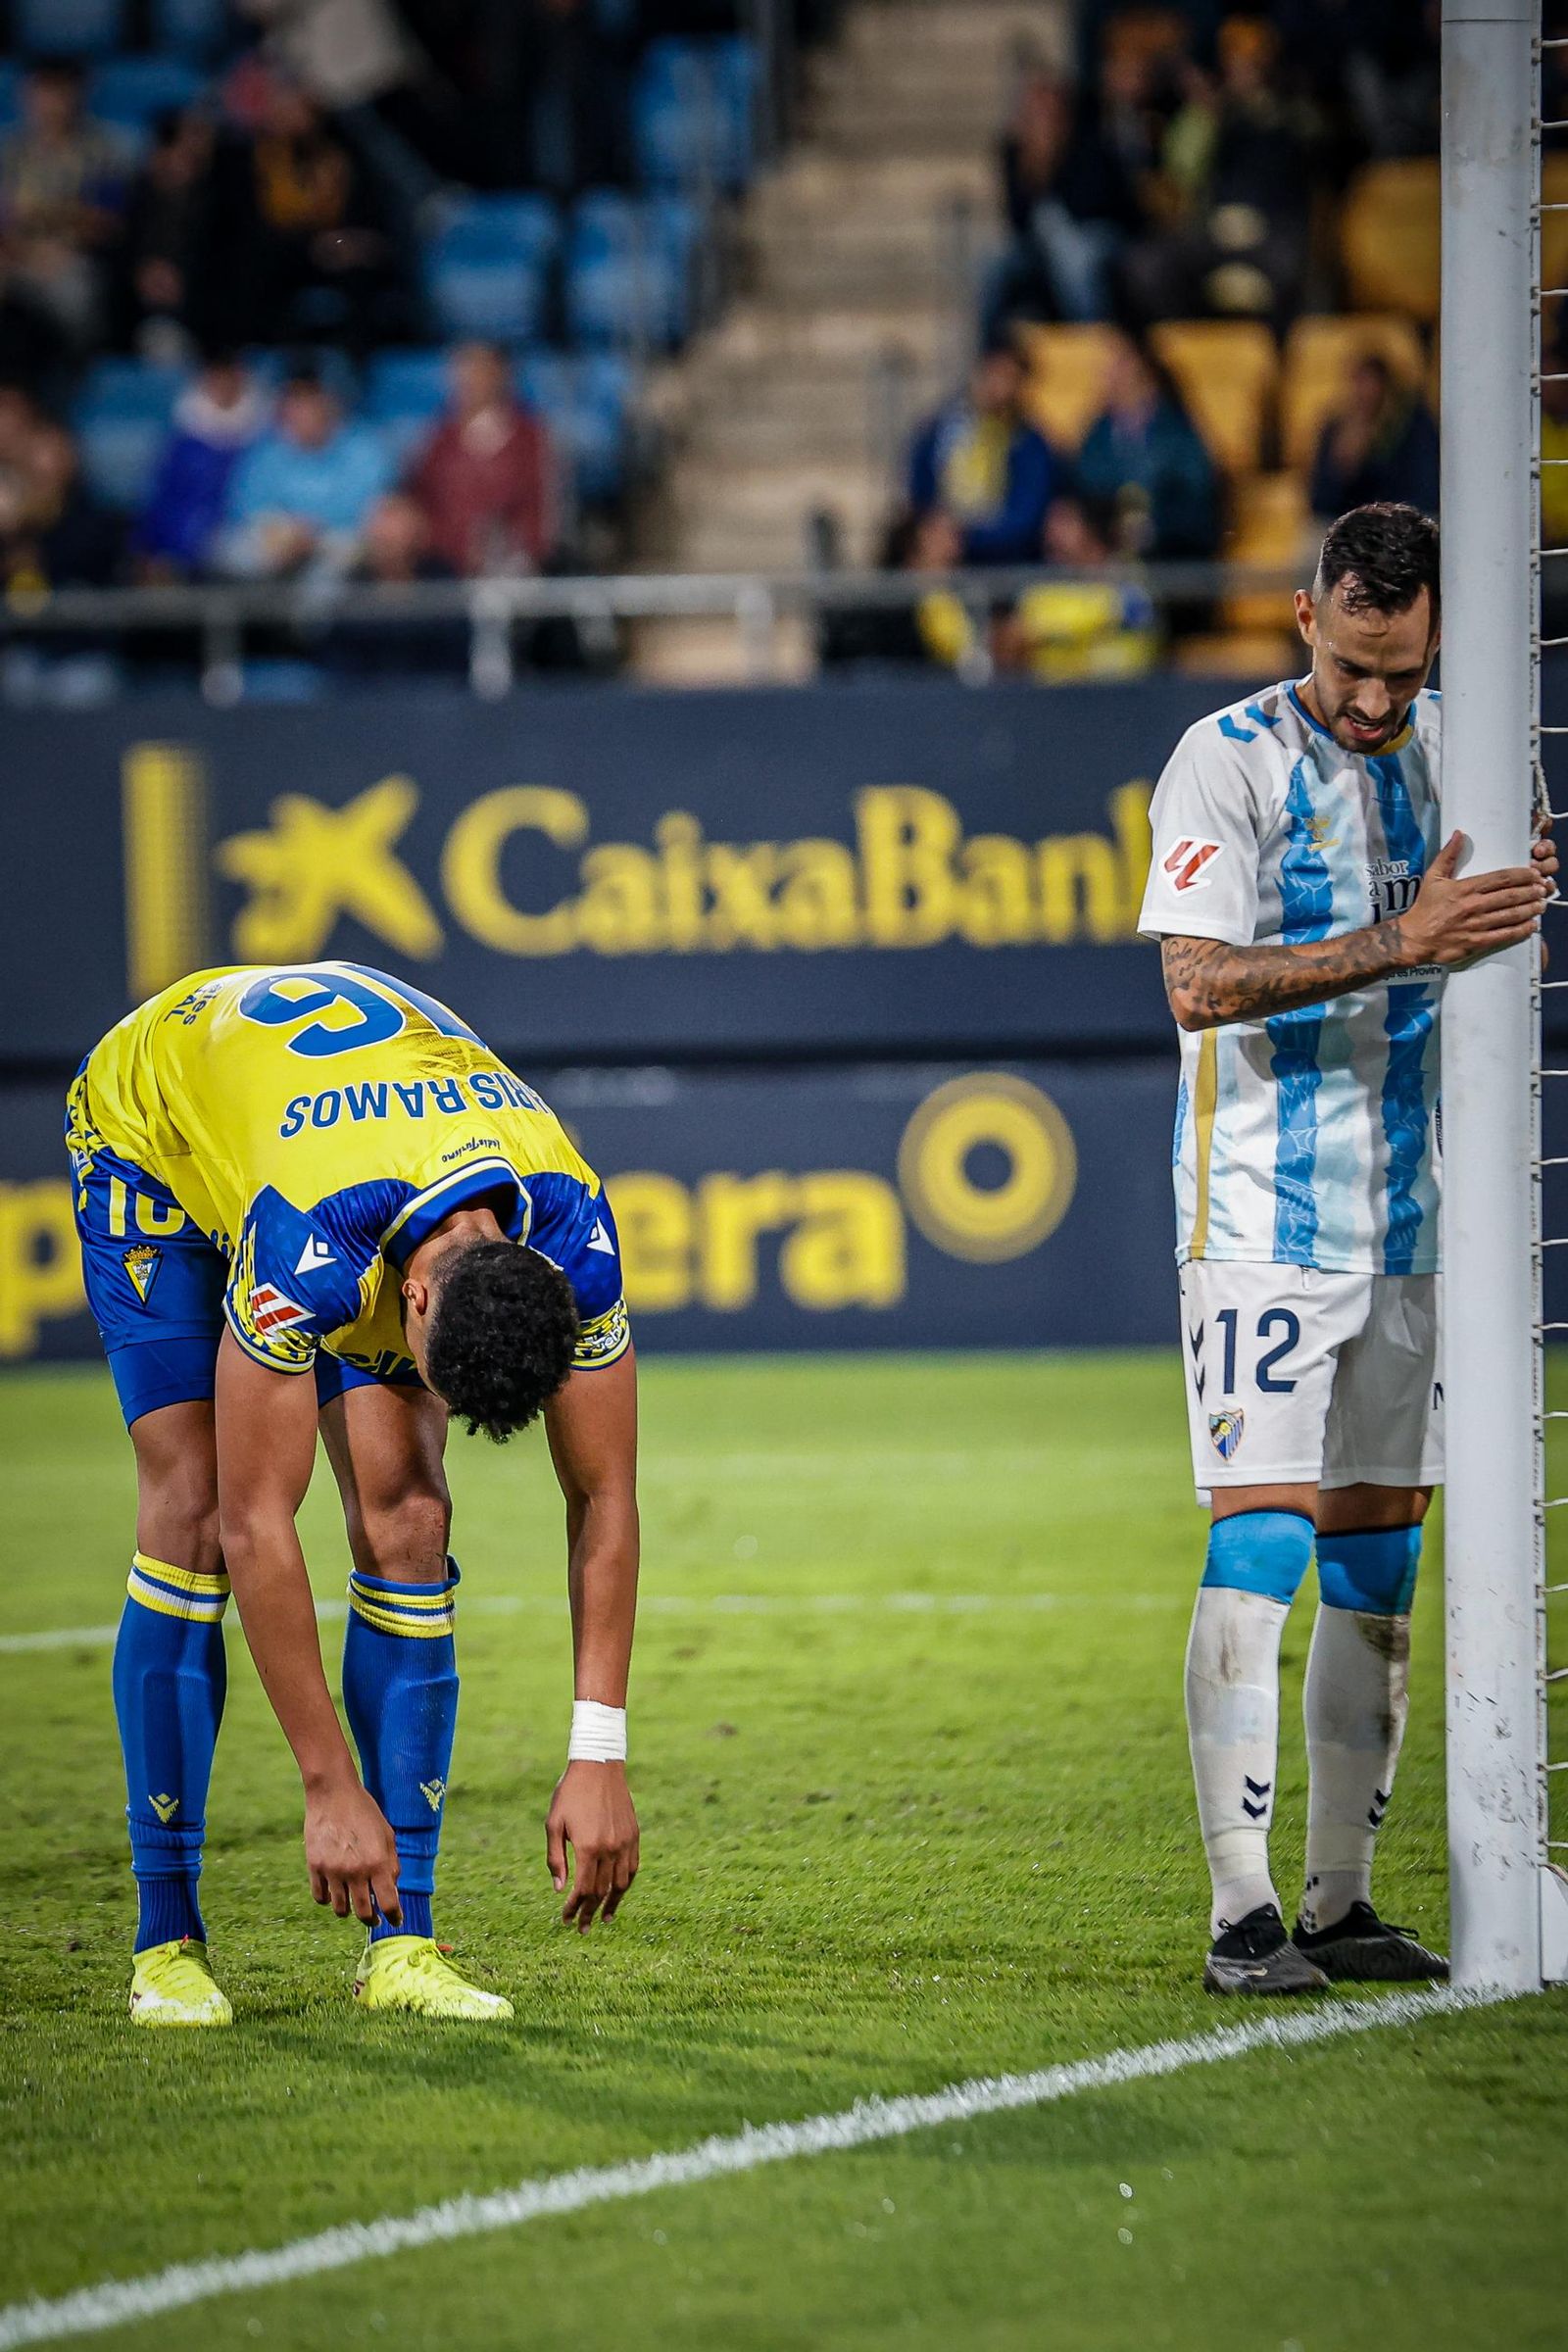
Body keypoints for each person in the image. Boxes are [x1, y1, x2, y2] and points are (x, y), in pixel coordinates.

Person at [1137, 502, 1556, 1995]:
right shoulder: (1226, 759)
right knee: (1265, 1536)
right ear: (1306, 616)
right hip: (1260, 1215)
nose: (1375, 702)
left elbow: (1509, 931)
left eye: (1404, 672)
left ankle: (1338, 1901)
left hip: (1420, 1218)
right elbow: (1195, 984)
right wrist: (1407, 939)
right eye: (1354, 667)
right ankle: (1240, 1912)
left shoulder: (1478, 748)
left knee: (1381, 1556)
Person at [66, 962, 641, 2028]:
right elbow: (255, 1521)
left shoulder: (574, 1235)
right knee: (192, 1514)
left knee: (410, 1513)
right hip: (161, 1132)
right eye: (420, 1369)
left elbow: (603, 1494)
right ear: (409, 1296)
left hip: (345, 1129)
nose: (409, 1386)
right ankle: (167, 1942)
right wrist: (328, 1784)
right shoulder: (307, 1253)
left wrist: (597, 1752)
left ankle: (404, 1944)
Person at [218, 362, 392, 578]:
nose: (303, 413)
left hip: (339, 539)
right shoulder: (266, 451)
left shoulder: (365, 449)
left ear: (330, 405)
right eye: (296, 404)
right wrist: (286, 530)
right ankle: (256, 609)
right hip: (279, 538)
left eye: (311, 403)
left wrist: (314, 533)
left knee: (336, 563)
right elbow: (247, 505)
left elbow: (373, 507)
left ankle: (314, 612)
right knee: (232, 550)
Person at [0, 60, 125, 352]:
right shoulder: (8, 152)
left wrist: (45, 226)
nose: (51, 104)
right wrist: (23, 252)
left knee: (75, 292)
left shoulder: (105, 152)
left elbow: (105, 221)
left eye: (60, 93)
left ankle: (71, 376)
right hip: (16, 258)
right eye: (42, 92)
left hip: (73, 259)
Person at [408, 341, 557, 576]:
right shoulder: (438, 438)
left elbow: (544, 508)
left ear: (502, 374)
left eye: (480, 371)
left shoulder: (531, 438)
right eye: (464, 371)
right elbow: (421, 502)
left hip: (515, 565)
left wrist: (521, 549)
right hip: (445, 566)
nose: (470, 380)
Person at [906, 344, 1062, 567]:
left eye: (1008, 379)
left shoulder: (1028, 443)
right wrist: (933, 528)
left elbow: (1026, 515)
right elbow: (920, 491)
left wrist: (964, 536)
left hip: (1002, 565)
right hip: (943, 554)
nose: (997, 387)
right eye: (993, 374)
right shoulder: (942, 430)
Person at [1074, 329, 1218, 559]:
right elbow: (1086, 484)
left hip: (1170, 555)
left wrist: (1156, 526)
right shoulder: (1098, 434)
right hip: (1107, 552)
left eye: (1117, 363)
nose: (1106, 373)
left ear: (1141, 367)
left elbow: (1197, 495)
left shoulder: (1176, 431)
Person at [132, 352, 270, 579]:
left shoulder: (265, 439)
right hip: (189, 543)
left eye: (229, 377)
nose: (223, 385)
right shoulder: (182, 444)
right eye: (216, 377)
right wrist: (149, 548)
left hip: (247, 536)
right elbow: (163, 497)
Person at [1309, 353, 1440, 523]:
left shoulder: (1414, 426)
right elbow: (1321, 505)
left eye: (1370, 383)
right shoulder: (1337, 429)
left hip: (1401, 524)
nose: (1363, 393)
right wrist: (1342, 468)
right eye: (1357, 383)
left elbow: (1426, 493)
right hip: (1352, 528)